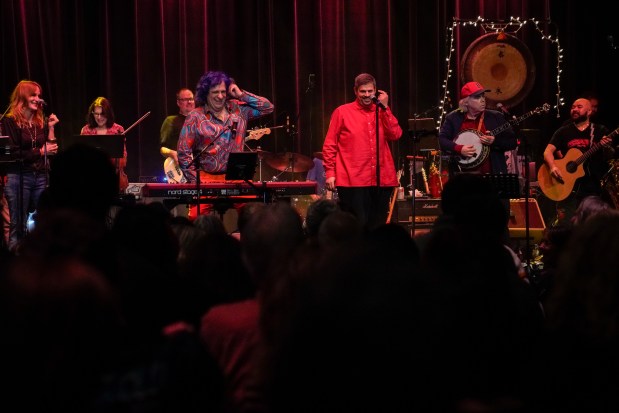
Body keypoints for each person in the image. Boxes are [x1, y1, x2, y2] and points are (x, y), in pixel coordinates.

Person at [178, 71, 274, 220]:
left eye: (223, 91)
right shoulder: (195, 116)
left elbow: (268, 107)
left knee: (255, 216)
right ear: (205, 93)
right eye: (215, 92)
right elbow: (183, 152)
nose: (220, 96)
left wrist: (241, 94)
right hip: (205, 177)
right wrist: (194, 180)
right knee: (196, 220)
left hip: (237, 176)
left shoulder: (239, 109)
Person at [322, 72, 403, 230]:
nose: (367, 95)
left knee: (377, 226)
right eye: (362, 91)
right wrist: (330, 172)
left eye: (370, 91)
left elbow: (396, 134)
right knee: (355, 226)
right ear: (355, 91)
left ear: (375, 91)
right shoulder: (342, 112)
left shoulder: (381, 111)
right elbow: (330, 144)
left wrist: (385, 108)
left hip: (381, 178)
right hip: (353, 179)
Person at [0, 80, 59, 252]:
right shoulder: (9, 122)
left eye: (39, 95)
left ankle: (40, 256)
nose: (38, 99)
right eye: (33, 95)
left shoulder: (39, 121)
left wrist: (51, 129)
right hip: (18, 176)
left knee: (44, 217)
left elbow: (51, 150)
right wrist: (40, 152)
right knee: (17, 222)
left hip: (40, 174)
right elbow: (12, 153)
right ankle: (15, 262)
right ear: (22, 97)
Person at [542, 97, 614, 224]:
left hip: (592, 187)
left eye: (579, 107)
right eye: (573, 107)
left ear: (589, 111)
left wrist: (606, 146)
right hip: (567, 187)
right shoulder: (563, 131)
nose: (574, 109)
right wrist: (553, 167)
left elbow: (610, 156)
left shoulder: (600, 130)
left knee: (591, 225)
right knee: (568, 226)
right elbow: (547, 151)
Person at [438, 81, 518, 177]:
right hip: (462, 177)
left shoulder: (496, 117)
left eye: (483, 96)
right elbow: (441, 140)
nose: (483, 100)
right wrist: (459, 148)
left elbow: (512, 142)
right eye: (477, 97)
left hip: (493, 176)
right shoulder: (453, 117)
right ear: (466, 101)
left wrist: (495, 141)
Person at [80, 97, 127, 192]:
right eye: (96, 114)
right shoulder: (86, 130)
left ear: (108, 114)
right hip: (91, 180)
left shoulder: (118, 129)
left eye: (102, 114)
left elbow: (123, 159)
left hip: (114, 179)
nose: (99, 117)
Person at [160, 87, 195, 182]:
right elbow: (162, 148)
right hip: (178, 169)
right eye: (185, 99)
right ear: (178, 103)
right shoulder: (170, 121)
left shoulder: (201, 122)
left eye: (191, 99)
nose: (189, 102)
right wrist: (173, 153)